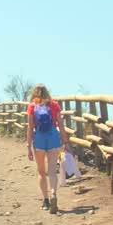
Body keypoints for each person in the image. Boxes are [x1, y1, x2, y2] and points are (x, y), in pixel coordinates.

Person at [25, 84, 70, 213]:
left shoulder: (32, 106)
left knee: (41, 172)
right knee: (52, 171)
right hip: (53, 138)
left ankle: (45, 201)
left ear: (34, 93)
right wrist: (65, 142)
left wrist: (29, 146)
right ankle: (54, 194)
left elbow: (30, 127)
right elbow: (60, 124)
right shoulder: (54, 105)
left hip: (39, 138)